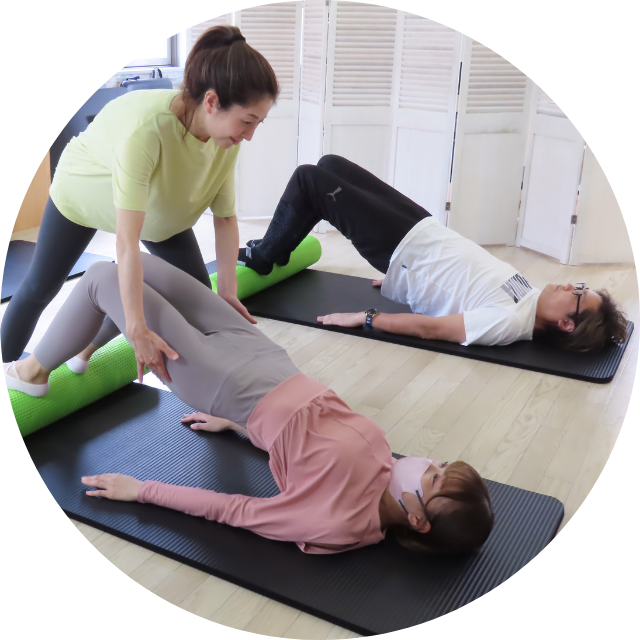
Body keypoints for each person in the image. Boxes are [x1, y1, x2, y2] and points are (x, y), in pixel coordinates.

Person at [4, 254, 494, 555]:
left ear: (418, 521)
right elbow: (307, 446)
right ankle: (84, 352)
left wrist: (142, 491)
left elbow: (237, 510)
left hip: (226, 383)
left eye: (434, 479)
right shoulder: (386, 469)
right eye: (441, 464)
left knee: (100, 277)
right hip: (267, 359)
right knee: (139, 264)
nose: (428, 464)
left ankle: (34, 374)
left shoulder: (338, 522)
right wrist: (237, 428)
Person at [1, 25, 279, 385]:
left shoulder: (226, 138)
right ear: (212, 102)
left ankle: (84, 351)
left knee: (197, 299)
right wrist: (136, 330)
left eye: (258, 123)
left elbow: (224, 219)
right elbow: (126, 243)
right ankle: (8, 366)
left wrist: (226, 292)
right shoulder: (147, 130)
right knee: (40, 287)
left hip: (160, 212)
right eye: (247, 121)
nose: (250, 135)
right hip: (84, 194)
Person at [238, 155, 628, 352]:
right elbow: (463, 287)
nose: (570, 285)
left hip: (399, 247)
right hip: (422, 227)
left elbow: (434, 329)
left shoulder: (509, 323)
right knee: (330, 165)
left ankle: (265, 256)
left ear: (565, 324)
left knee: (309, 179)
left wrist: (366, 317)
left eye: (578, 294)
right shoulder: (531, 297)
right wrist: (408, 289)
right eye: (580, 285)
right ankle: (281, 246)